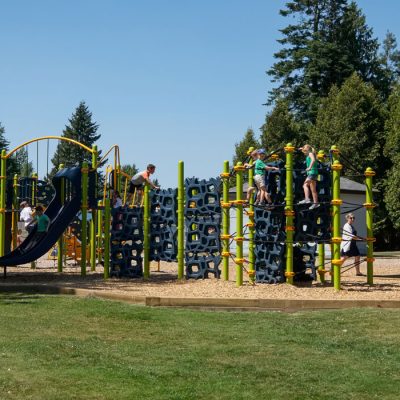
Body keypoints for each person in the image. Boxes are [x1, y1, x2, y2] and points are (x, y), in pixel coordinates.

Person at [298, 144, 319, 210]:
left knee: (305, 185)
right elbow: (304, 151)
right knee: (313, 190)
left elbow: (313, 160)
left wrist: (309, 167)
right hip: (314, 173)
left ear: (306, 149)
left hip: (311, 172)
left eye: (304, 150)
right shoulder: (310, 152)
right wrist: (301, 149)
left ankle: (307, 199)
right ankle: (316, 203)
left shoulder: (310, 153)